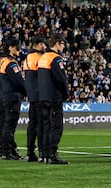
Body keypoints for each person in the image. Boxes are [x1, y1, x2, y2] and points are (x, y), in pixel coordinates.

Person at [38, 33, 70, 164]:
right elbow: (61, 79)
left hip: (43, 96)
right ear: (57, 43)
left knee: (46, 125)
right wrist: (66, 94)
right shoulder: (56, 58)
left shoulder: (43, 57)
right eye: (63, 44)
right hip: (54, 96)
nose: (64, 47)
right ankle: (52, 154)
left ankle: (45, 154)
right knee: (56, 126)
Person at [0, 38, 27, 160]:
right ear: (10, 48)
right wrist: (26, 91)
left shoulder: (4, 62)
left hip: (7, 97)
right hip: (13, 97)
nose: (19, 50)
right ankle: (7, 151)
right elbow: (18, 81)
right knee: (10, 126)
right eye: (17, 47)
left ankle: (8, 150)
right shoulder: (11, 64)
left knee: (8, 125)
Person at [23, 36, 47, 162]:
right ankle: (43, 152)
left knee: (32, 124)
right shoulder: (38, 58)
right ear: (37, 45)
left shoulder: (28, 58)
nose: (44, 47)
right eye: (43, 44)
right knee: (40, 124)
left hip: (32, 96)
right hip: (40, 95)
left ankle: (30, 151)